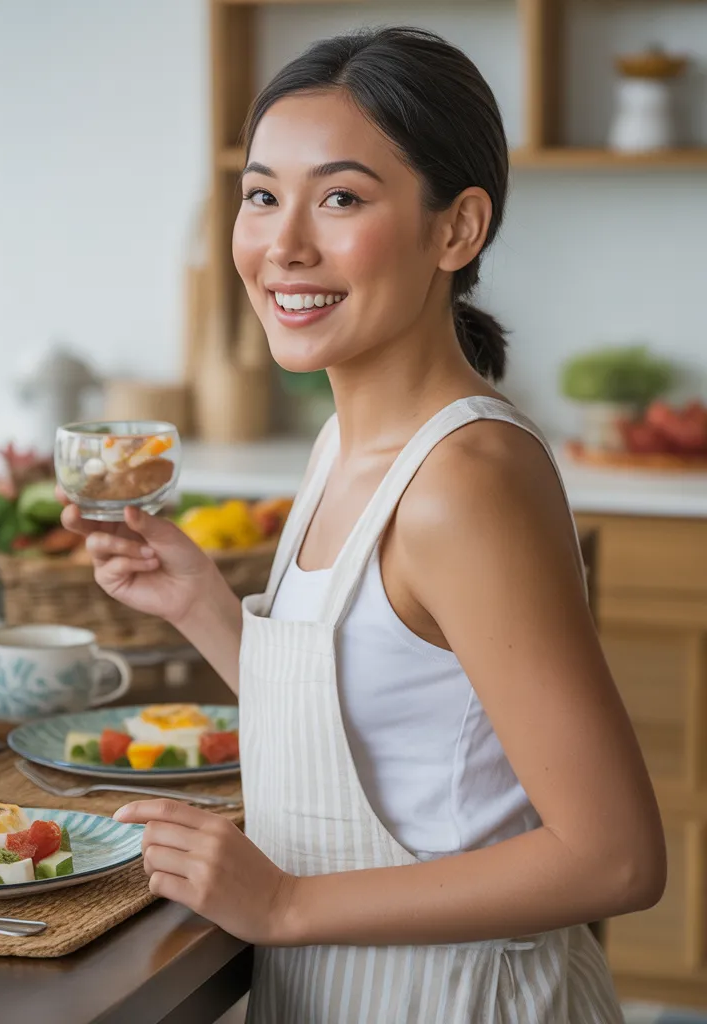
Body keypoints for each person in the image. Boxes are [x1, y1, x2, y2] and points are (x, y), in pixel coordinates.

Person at [60, 27, 665, 1023]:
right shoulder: (345, 443)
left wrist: (286, 902)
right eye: (261, 195)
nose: (283, 244)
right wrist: (204, 607)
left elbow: (615, 854)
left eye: (340, 198)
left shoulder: (463, 479)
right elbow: (392, 741)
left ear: (455, 229)